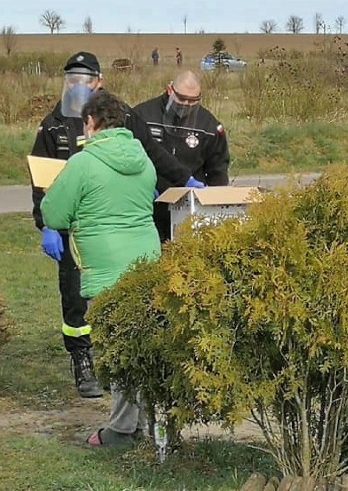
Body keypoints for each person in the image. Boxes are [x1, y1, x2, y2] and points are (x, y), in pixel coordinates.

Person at [30, 51, 201, 398]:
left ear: (99, 82)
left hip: (107, 221)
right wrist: (45, 224)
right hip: (74, 227)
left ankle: (120, 364)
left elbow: (153, 154)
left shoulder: (122, 116)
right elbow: (41, 177)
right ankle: (83, 360)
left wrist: (186, 178)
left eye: (85, 80)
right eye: (71, 80)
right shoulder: (53, 124)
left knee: (119, 296)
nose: (77, 86)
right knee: (75, 295)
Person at [40, 91, 160, 447]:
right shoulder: (144, 160)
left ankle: (123, 431)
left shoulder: (83, 162)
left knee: (118, 352)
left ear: (91, 123)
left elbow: (54, 213)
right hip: (147, 262)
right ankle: (151, 426)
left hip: (106, 270)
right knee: (144, 347)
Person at [134, 70, 230, 242]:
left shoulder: (209, 126)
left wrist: (216, 206)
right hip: (148, 205)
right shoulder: (143, 116)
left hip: (189, 208)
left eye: (192, 101)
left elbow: (218, 170)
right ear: (170, 89)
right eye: (182, 99)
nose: (186, 104)